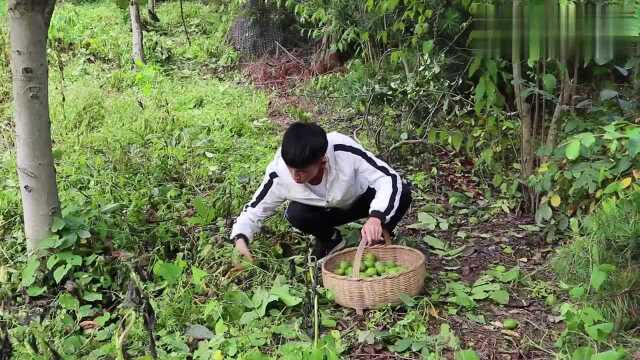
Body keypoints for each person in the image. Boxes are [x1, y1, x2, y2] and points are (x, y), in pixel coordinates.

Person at [230, 122, 412, 262]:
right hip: (325, 211)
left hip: (361, 199)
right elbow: (256, 208)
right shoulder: (279, 172)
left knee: (402, 193)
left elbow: (388, 178)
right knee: (295, 214)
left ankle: (380, 235)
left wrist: (376, 217)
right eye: (291, 169)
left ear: (322, 161)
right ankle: (331, 239)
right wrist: (240, 238)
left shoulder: (343, 149)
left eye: (302, 171)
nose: (295, 176)